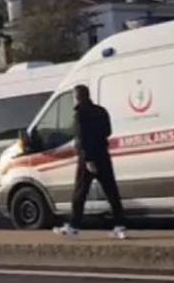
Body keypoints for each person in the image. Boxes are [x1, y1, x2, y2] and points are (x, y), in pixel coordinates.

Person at [53, 85, 127, 240]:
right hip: (103, 155)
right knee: (111, 190)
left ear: (78, 97)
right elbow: (108, 131)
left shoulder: (79, 114)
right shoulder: (101, 111)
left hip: (87, 158)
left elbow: (82, 137)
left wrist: (87, 159)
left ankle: (74, 226)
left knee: (80, 192)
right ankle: (120, 225)